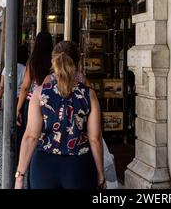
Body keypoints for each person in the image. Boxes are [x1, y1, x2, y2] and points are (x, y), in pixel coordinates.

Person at [15, 40, 106, 190]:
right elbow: (95, 139)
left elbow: (31, 136)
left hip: (43, 167)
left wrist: (20, 176)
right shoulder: (88, 95)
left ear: (54, 61)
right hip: (78, 167)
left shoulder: (40, 93)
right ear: (78, 62)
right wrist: (101, 174)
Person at [16, 31, 53, 126]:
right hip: (51, 100)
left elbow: (25, 87)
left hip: (33, 101)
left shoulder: (33, 61)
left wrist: (18, 107)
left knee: (31, 132)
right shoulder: (55, 60)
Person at [0, 44, 29, 113]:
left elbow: (2, 86)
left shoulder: (7, 67)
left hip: (8, 98)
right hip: (21, 100)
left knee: (7, 121)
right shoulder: (26, 70)